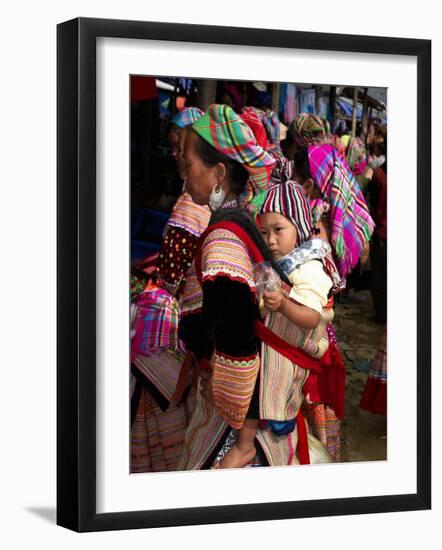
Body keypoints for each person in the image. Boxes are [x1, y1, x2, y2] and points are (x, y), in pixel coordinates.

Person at [178, 105, 329, 470]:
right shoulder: (244, 219)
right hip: (258, 407)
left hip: (235, 416)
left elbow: (235, 336)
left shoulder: (223, 239)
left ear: (217, 173)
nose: (183, 176)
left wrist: (236, 418)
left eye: (188, 165)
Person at [130, 106, 211, 473]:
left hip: (189, 321)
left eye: (182, 149)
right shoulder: (201, 201)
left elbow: (171, 274)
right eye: (175, 147)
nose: (176, 156)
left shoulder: (190, 207)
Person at [290, 143, 375, 460]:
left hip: (310, 338)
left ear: (309, 186)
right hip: (322, 336)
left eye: (296, 179)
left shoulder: (315, 234)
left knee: (306, 434)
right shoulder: (329, 227)